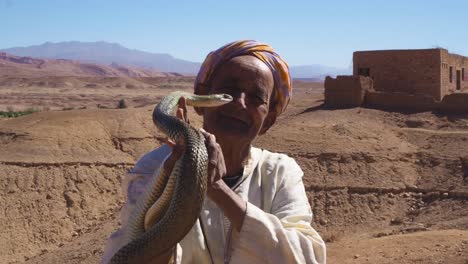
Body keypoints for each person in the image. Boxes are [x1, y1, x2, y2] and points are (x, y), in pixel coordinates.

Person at [102, 40, 326, 264]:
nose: (239, 102)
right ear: (199, 100)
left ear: (268, 120)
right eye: (228, 91)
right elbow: (125, 254)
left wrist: (217, 188)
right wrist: (177, 180)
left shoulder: (279, 172)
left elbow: (306, 257)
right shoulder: (155, 168)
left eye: (256, 97)